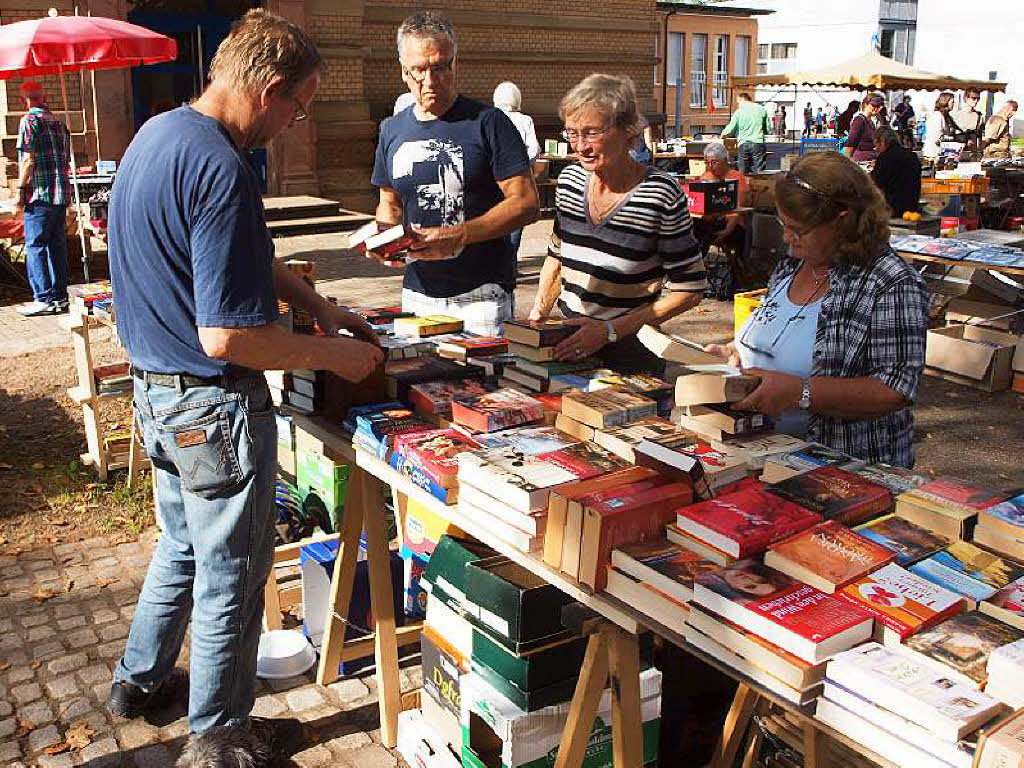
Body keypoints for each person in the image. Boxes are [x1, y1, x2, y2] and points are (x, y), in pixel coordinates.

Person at [106, 10, 384, 759]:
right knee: (232, 571)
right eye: (299, 105)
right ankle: (218, 736)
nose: (296, 121)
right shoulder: (223, 167)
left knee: (182, 548)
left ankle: (137, 681)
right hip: (209, 402)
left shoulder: (160, 136)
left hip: (157, 394)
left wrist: (321, 307)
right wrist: (331, 358)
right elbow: (227, 336)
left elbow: (240, 259)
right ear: (267, 90)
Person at [704, 152, 929, 467]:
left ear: (843, 219)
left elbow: (895, 389)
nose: (787, 238)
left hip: (844, 468)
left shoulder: (890, 282)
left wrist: (800, 392)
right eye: (785, 224)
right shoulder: (794, 265)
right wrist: (734, 353)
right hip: (764, 456)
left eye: (799, 229)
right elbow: (780, 333)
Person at [369, 12, 539, 336]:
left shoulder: (490, 123)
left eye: (439, 67)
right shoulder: (391, 130)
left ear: (454, 63)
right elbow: (388, 203)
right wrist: (385, 237)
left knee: (486, 387)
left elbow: (527, 203)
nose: (430, 81)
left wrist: (458, 234)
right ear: (403, 70)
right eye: (418, 71)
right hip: (417, 292)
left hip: (481, 295)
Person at [528, 73, 705, 376]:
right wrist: (537, 316)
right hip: (567, 341)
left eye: (592, 132)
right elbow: (558, 254)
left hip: (629, 349)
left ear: (627, 130)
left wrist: (609, 330)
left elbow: (690, 289)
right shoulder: (570, 181)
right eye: (572, 133)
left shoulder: (659, 194)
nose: (580, 146)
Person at [15, 81, 72, 317]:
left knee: (36, 246)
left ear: (24, 100)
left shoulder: (29, 121)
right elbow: (66, 157)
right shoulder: (58, 122)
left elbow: (28, 159)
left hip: (40, 194)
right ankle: (60, 296)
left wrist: (20, 188)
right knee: (57, 245)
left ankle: (43, 298)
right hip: (60, 194)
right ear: (44, 96)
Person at [697, 142, 756, 294]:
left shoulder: (736, 178)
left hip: (734, 226)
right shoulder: (707, 177)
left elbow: (738, 210)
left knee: (701, 234)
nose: (710, 166)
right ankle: (692, 271)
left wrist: (727, 231)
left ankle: (698, 272)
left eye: (714, 162)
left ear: (725, 161)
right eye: (707, 162)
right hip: (711, 223)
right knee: (691, 227)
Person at [493, 81, 540, 259]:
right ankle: (510, 262)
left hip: (495, 178)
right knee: (515, 220)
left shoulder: (492, 118)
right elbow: (534, 149)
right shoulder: (525, 120)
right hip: (519, 178)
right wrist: (522, 165)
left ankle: (497, 262)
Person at [871, 126, 921, 217]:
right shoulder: (912, 156)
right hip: (912, 208)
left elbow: (876, 183)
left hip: (892, 210)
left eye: (876, 145)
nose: (876, 149)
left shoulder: (885, 158)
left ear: (882, 141)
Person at [721, 92, 770, 174]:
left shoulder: (739, 112)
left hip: (743, 144)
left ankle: (744, 185)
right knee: (760, 171)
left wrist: (723, 135)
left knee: (743, 171)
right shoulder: (761, 109)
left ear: (742, 100)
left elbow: (731, 128)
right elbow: (767, 128)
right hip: (758, 143)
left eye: (738, 102)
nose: (738, 105)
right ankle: (760, 185)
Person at [843, 93, 884, 162]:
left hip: (870, 160)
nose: (877, 108)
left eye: (879, 106)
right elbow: (850, 143)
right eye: (874, 105)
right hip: (861, 161)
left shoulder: (871, 121)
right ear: (865, 104)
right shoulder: (859, 120)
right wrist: (847, 164)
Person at [923, 92, 955, 160]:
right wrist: (951, 138)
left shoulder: (946, 116)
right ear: (945, 102)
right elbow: (935, 137)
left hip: (942, 153)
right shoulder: (937, 115)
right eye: (952, 102)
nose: (953, 104)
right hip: (934, 154)